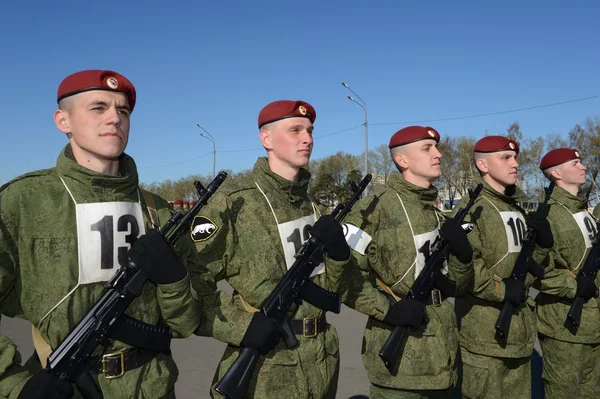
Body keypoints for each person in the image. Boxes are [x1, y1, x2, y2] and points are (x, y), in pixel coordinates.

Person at [0, 70, 201, 398]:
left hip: (154, 387)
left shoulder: (156, 210)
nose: (114, 119)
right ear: (62, 120)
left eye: (123, 110)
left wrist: (174, 281)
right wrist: (12, 384)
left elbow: (184, 325)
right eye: (98, 108)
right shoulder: (23, 202)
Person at [191, 100, 351, 398]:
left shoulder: (314, 207)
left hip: (322, 362)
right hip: (267, 372)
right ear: (266, 139)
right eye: (295, 130)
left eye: (310, 130)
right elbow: (189, 282)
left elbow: (331, 290)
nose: (308, 139)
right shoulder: (234, 204)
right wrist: (241, 327)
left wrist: (340, 258)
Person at [342, 126, 474, 399]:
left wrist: (463, 257)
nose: (438, 154)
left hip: (443, 358)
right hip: (402, 367)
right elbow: (345, 275)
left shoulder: (436, 213)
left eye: (436, 147)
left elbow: (457, 285)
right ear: (402, 160)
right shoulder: (374, 208)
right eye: (427, 148)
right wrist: (388, 310)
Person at [452, 136, 553, 399]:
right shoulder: (472, 210)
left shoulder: (518, 209)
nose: (516, 164)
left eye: (515, 157)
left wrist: (542, 245)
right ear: (483, 165)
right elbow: (465, 270)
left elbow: (527, 268)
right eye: (506, 158)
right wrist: (501, 290)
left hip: (520, 335)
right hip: (484, 339)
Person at [534, 148, 600, 398]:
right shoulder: (549, 215)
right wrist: (572, 287)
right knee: (566, 392)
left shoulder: (584, 211)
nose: (583, 166)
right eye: (575, 163)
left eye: (581, 161)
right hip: (565, 324)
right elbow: (538, 270)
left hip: (594, 321)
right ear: (556, 173)